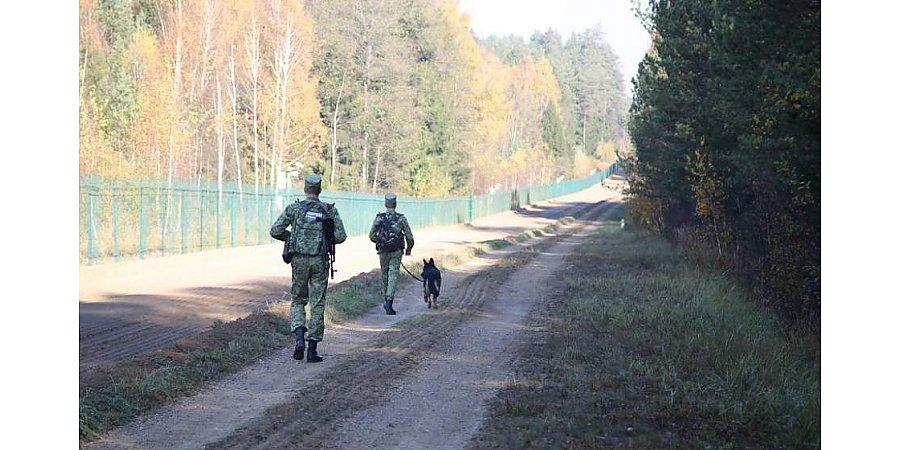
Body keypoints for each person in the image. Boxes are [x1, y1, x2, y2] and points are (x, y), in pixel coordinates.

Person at [270, 174, 347, 363]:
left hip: (299, 261)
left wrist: (293, 237)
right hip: (320, 261)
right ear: (319, 190)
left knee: (298, 300)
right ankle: (312, 349)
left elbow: (275, 230)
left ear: (305, 189)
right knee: (318, 302)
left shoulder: (295, 209)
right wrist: (325, 238)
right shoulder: (329, 211)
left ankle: (298, 337)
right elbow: (341, 236)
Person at [369, 193, 414, 315]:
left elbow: (371, 235)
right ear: (395, 204)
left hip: (383, 250)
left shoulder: (379, 218)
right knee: (393, 274)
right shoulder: (401, 218)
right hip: (396, 251)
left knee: (385, 274)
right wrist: (409, 248)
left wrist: (380, 241)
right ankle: (389, 301)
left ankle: (386, 298)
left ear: (385, 204)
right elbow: (409, 236)